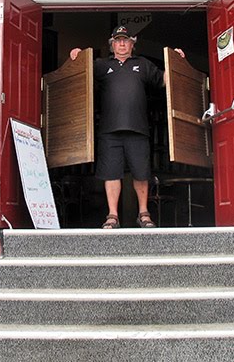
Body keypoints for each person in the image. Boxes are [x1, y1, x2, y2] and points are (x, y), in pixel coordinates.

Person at [70, 26, 184, 229]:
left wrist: (176, 62)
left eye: (125, 40)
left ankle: (143, 213)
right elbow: (80, 73)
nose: (122, 44)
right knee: (111, 173)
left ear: (132, 44)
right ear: (112, 45)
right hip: (109, 130)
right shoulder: (102, 65)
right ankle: (112, 215)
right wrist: (76, 55)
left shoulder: (143, 64)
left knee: (141, 173)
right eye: (117, 40)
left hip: (138, 128)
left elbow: (164, 80)